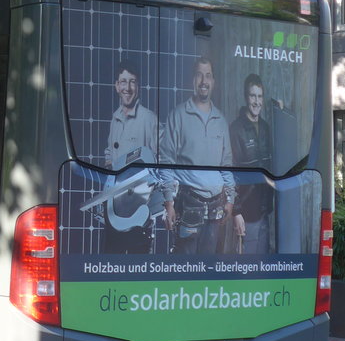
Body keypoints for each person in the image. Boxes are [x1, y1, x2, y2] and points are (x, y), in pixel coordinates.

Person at [160, 57, 236, 254]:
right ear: (193, 80)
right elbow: (166, 162)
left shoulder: (220, 120)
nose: (204, 81)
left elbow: (226, 164)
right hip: (187, 208)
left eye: (208, 76)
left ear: (213, 82)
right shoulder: (177, 115)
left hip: (215, 209)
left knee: (208, 270)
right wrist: (169, 202)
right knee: (186, 270)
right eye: (200, 75)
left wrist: (230, 199)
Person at [102, 60, 159, 252]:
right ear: (117, 86)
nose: (128, 87)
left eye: (132, 82)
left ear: (138, 86)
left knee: (138, 268)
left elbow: (164, 158)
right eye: (123, 82)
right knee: (112, 266)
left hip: (139, 211)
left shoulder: (149, 119)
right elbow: (110, 151)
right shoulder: (115, 118)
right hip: (114, 210)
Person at [230, 74, 274, 254]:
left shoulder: (265, 128)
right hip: (247, 211)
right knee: (247, 267)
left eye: (260, 96)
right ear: (246, 97)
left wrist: (281, 110)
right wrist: (236, 211)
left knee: (263, 264)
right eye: (252, 96)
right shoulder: (236, 129)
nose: (256, 102)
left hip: (265, 209)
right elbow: (230, 171)